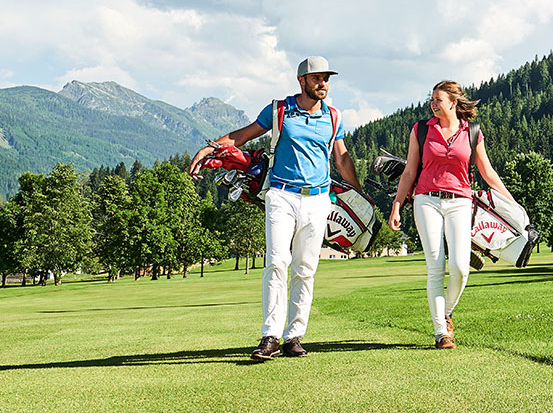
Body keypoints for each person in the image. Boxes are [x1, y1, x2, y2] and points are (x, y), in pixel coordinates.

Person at [188, 56, 363, 361]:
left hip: (318, 199)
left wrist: (359, 195)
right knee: (277, 263)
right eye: (316, 78)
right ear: (302, 81)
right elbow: (242, 135)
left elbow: (343, 158)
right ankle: (270, 335)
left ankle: (294, 336)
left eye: (326, 79)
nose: (322, 84)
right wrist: (211, 148)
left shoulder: (333, 117)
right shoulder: (279, 110)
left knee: (305, 270)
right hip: (281, 195)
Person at [387, 80, 513, 349]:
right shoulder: (421, 130)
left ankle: (447, 313)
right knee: (435, 268)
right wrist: (398, 204)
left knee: (459, 268)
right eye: (431, 99)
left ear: (453, 103)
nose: (433, 104)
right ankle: (441, 333)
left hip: (460, 202)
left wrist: (511, 203)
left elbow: (487, 172)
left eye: (438, 100)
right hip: (426, 201)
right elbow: (410, 171)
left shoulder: (473, 131)